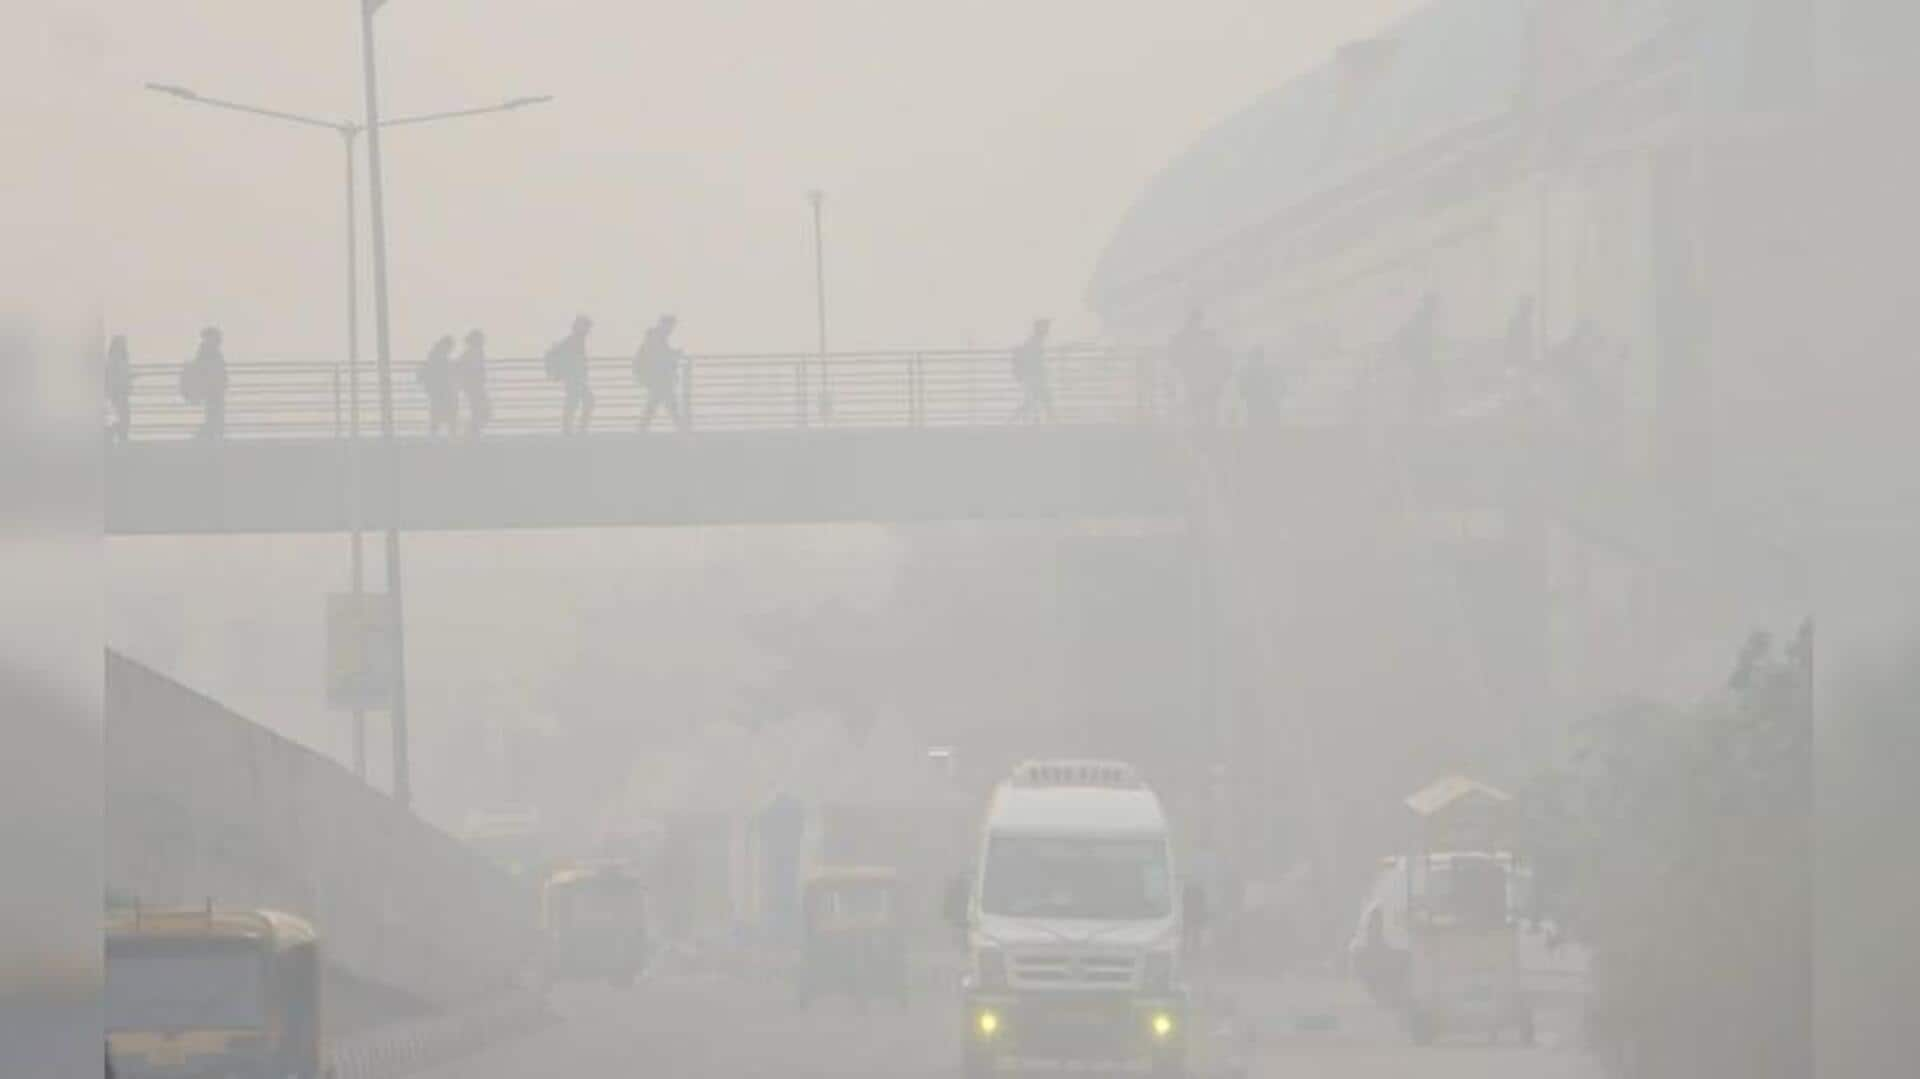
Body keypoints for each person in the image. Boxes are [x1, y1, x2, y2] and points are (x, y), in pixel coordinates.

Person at [1169, 309, 1228, 428]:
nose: (1199, 322)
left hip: (1196, 374)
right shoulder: (1193, 335)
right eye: (1199, 319)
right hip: (1199, 374)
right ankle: (1205, 425)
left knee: (1199, 400)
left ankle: (1201, 424)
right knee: (1203, 401)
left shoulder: (1187, 335)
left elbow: (1175, 353)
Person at [633, 315, 687, 431]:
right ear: (664, 325)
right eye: (670, 326)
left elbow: (660, 354)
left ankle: (641, 430)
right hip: (660, 379)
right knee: (669, 405)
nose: (671, 329)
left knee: (655, 404)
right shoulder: (657, 338)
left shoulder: (655, 337)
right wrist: (674, 355)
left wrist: (673, 354)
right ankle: (683, 431)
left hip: (657, 379)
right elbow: (660, 357)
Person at [544, 315, 595, 434]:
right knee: (584, 401)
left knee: (573, 403)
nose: (588, 331)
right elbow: (573, 360)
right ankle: (576, 430)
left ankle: (569, 429)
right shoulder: (573, 341)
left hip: (575, 379)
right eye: (586, 327)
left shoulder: (575, 340)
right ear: (580, 327)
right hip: (574, 379)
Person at [183, 326, 228, 439]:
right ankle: (212, 433)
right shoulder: (208, 351)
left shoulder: (207, 350)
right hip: (212, 389)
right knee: (215, 413)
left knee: (214, 413)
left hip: (213, 389)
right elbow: (209, 369)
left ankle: (210, 433)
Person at [1009, 318, 1053, 423]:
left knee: (1033, 402)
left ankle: (1012, 422)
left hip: (1033, 378)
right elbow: (1035, 362)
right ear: (1040, 329)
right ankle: (1054, 425)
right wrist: (1041, 374)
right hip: (1035, 378)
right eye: (1046, 328)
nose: (1047, 331)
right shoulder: (1035, 342)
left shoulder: (1034, 341)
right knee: (1043, 400)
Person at [418, 334, 459, 436]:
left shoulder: (434, 355)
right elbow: (444, 373)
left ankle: (435, 435)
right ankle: (451, 436)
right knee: (449, 415)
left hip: (437, 392)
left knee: (438, 415)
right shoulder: (439, 357)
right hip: (443, 392)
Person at [457, 329, 491, 437]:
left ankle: (471, 431)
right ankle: (471, 432)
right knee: (481, 410)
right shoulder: (473, 353)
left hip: (474, 386)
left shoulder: (472, 353)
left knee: (479, 410)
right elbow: (474, 369)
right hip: (474, 386)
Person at [1238, 346, 1281, 429]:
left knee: (1255, 426)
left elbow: (1242, 389)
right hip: (1267, 404)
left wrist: (1245, 394)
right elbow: (1280, 386)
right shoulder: (1271, 370)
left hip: (1255, 404)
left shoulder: (1247, 371)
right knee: (1268, 427)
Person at [105, 334, 132, 442]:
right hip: (118, 395)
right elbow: (115, 378)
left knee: (119, 421)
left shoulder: (114, 359)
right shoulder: (117, 360)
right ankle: (121, 442)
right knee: (121, 420)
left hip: (118, 395)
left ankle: (118, 441)